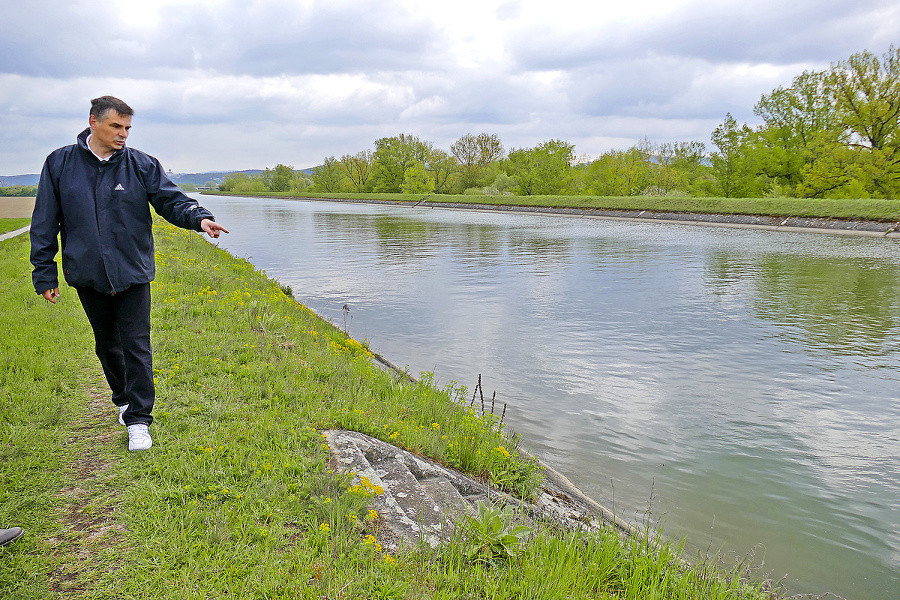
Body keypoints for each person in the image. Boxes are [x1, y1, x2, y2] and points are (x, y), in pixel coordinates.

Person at [30, 96, 229, 451]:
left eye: (127, 128)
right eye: (116, 127)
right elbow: (45, 222)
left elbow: (172, 200)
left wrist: (199, 218)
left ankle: (139, 421)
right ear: (94, 122)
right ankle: (122, 399)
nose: (123, 134)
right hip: (87, 273)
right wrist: (44, 274)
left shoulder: (141, 164)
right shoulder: (59, 163)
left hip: (133, 273)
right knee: (107, 344)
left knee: (136, 345)